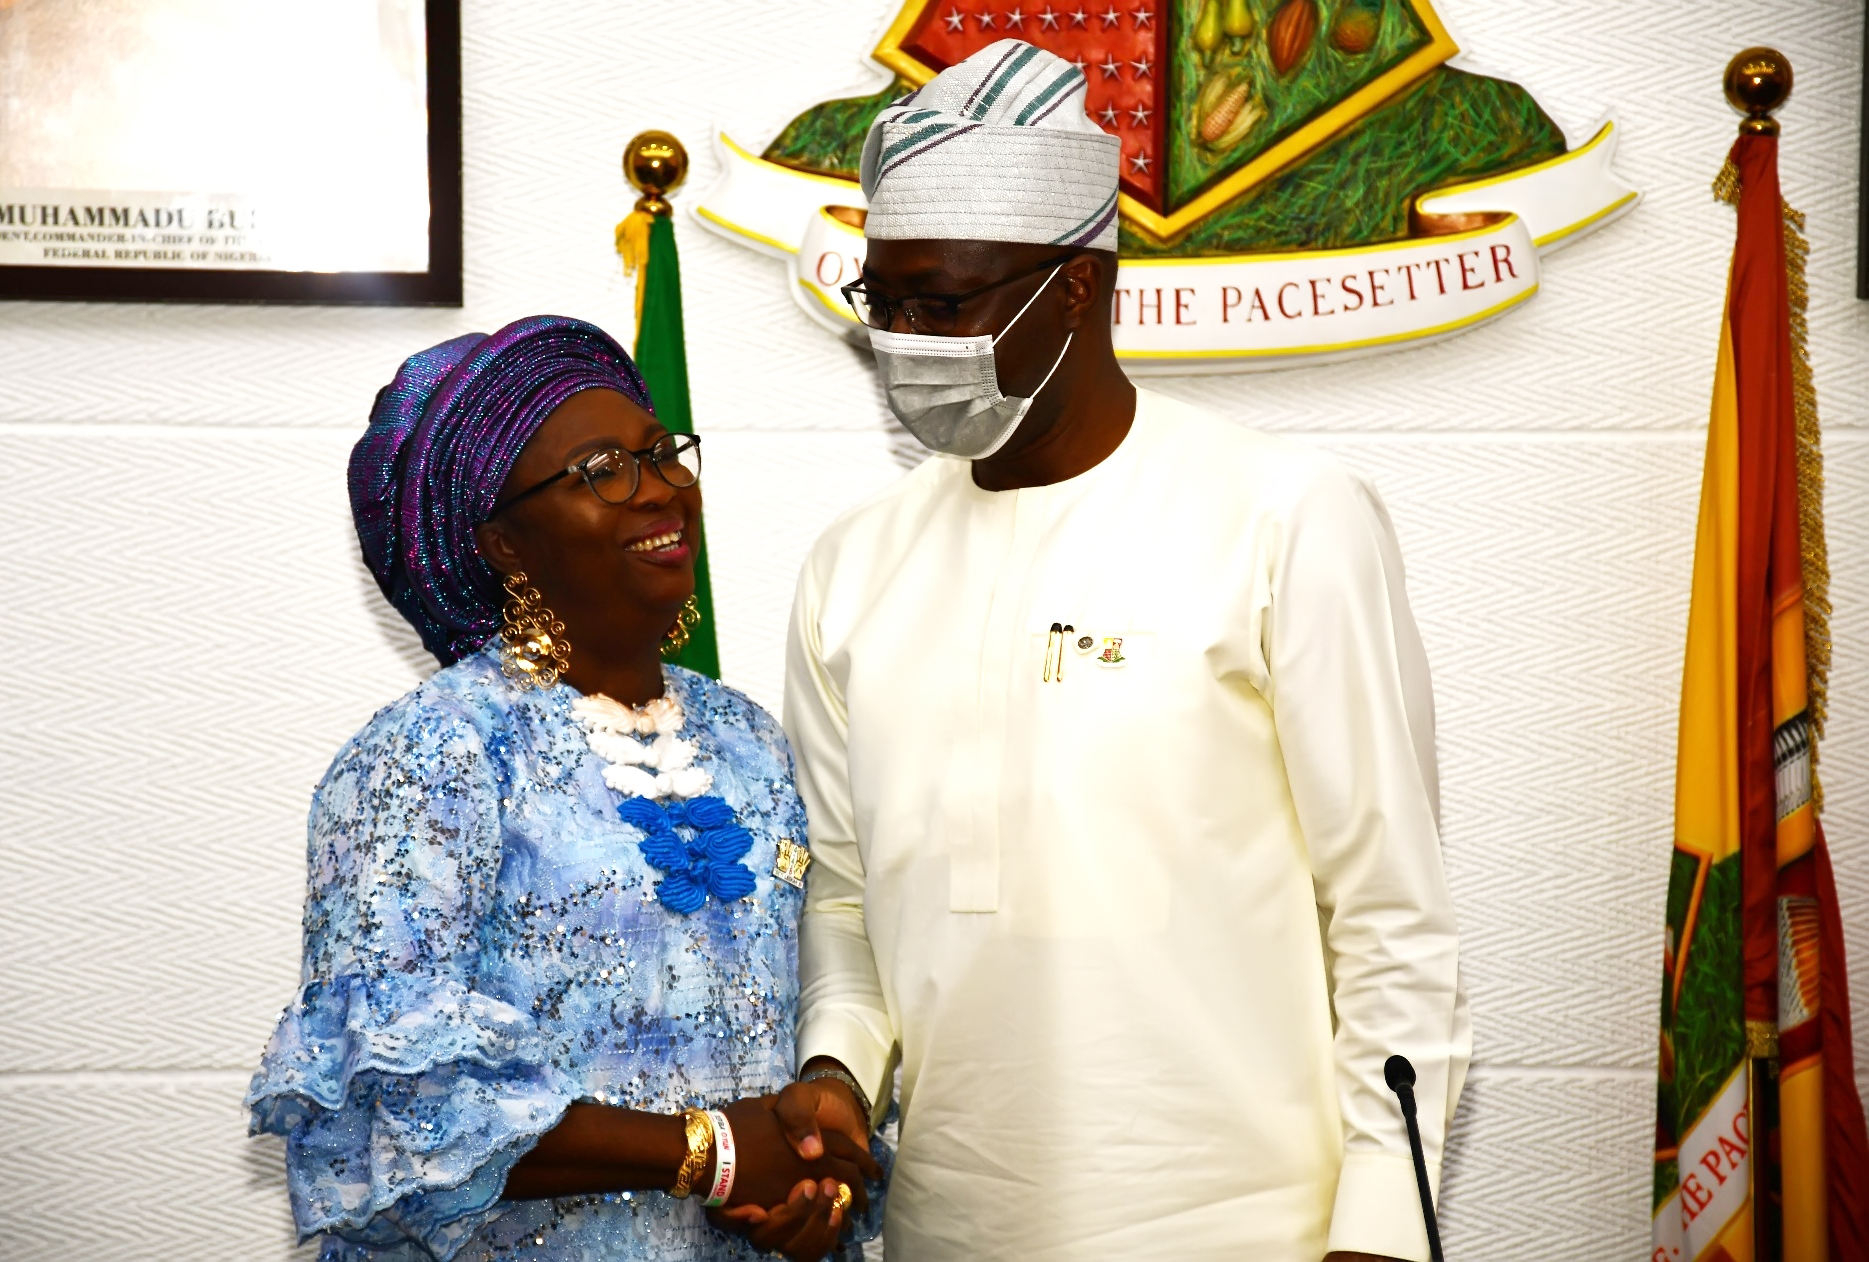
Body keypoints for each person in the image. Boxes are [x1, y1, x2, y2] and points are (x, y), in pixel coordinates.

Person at [768, 40, 1471, 1262]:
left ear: (1077, 286)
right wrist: (835, 1065)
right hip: (946, 1227)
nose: (907, 343)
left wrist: (1383, 1227)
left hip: (1251, 1230)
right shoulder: (851, 567)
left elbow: (1391, 914)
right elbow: (842, 888)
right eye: (883, 306)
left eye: (945, 302)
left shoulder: (1285, 516)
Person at [245, 316, 877, 1262]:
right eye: (601, 470)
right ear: (502, 542)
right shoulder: (431, 753)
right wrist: (705, 1155)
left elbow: (793, 1026)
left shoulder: (747, 738)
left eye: (661, 454)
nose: (659, 487)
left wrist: (811, 1176)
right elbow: (403, 1100)